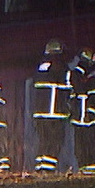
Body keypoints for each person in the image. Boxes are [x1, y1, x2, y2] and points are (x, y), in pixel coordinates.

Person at [30, 39, 73, 173]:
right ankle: (48, 170)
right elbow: (68, 87)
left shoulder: (41, 66)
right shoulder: (61, 66)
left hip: (40, 113)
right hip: (56, 112)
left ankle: (41, 168)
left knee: (44, 141)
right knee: (55, 141)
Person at [66, 49, 95, 174]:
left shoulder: (92, 78)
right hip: (79, 118)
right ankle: (83, 169)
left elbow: (93, 98)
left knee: (88, 145)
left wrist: (90, 114)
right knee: (80, 146)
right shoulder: (78, 76)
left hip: (87, 119)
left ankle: (89, 170)